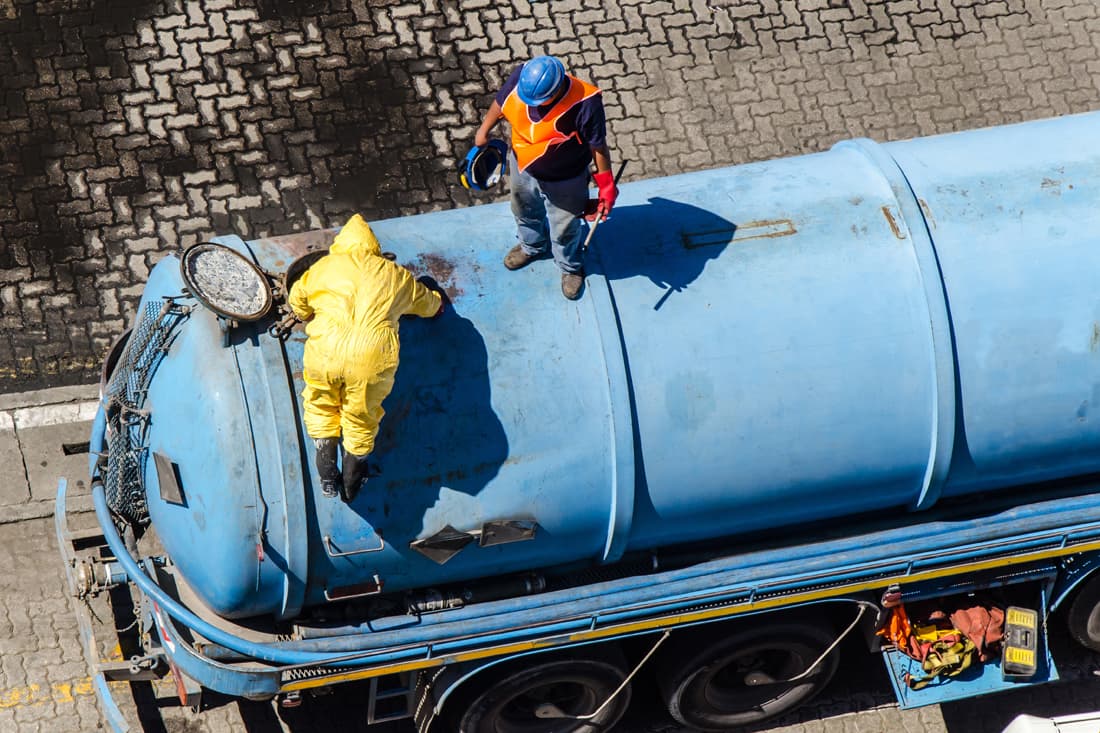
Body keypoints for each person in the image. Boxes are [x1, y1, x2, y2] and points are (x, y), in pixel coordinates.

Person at [289, 214, 443, 502]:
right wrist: (437, 305)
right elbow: (426, 303)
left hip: (326, 351)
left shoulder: (324, 267)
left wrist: (303, 312)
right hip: (371, 358)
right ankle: (353, 475)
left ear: (340, 245)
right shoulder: (395, 274)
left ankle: (325, 457)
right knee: (361, 414)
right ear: (374, 247)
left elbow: (298, 297)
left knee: (320, 401)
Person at [474, 55, 618, 300]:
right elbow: (501, 102)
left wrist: (606, 185)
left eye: (541, 101)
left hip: (566, 179)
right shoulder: (523, 75)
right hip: (523, 166)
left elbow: (598, 147)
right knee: (523, 210)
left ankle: (570, 267)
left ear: (558, 87)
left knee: (565, 227)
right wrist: (484, 128)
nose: (535, 106)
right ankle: (532, 246)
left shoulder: (586, 103)